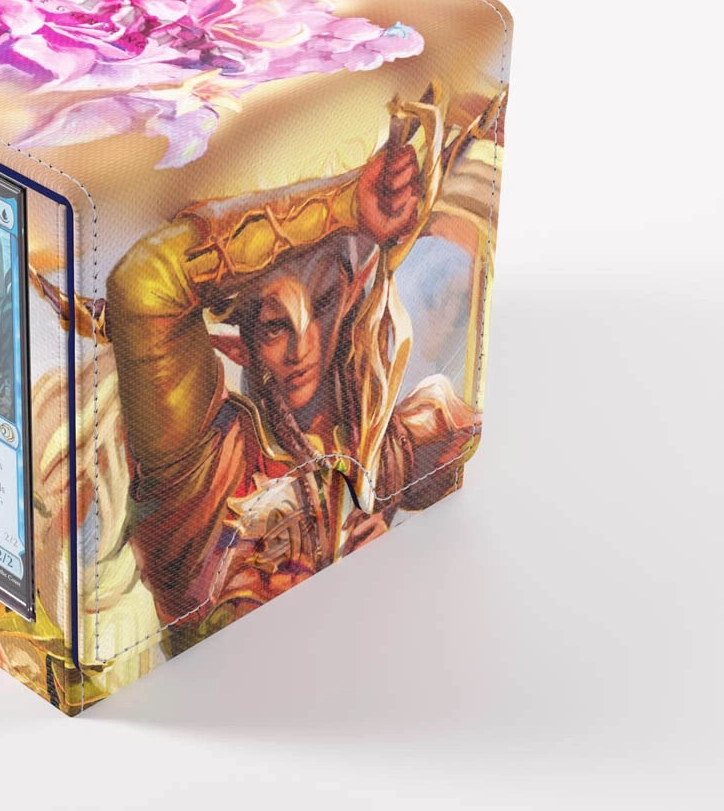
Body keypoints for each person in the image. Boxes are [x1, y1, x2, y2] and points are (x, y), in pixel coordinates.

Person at [106, 125, 479, 650]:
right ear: (242, 342)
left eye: (322, 306)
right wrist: (344, 205)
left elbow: (467, 466)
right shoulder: (206, 470)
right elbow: (142, 285)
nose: (302, 348)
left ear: (346, 309)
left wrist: (391, 550)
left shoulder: (372, 446)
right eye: (275, 327)